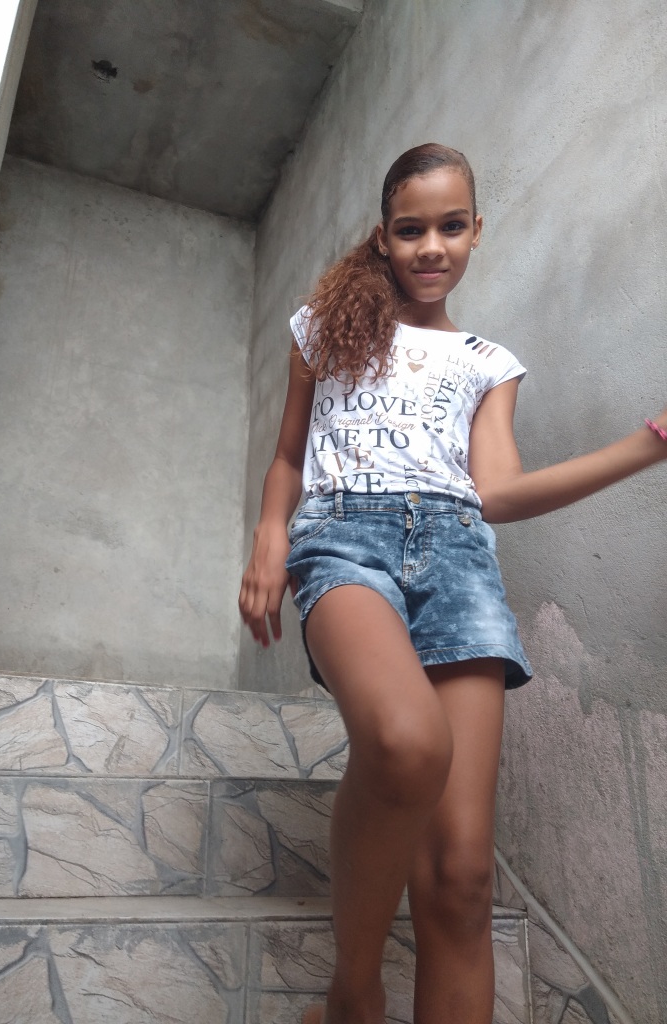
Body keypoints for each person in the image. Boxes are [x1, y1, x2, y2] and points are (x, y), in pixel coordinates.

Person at [238, 143, 667, 1024]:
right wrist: (268, 541)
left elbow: (497, 492)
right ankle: (354, 994)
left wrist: (649, 444)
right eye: (411, 229)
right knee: (406, 744)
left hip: (460, 562)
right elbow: (288, 456)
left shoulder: (487, 361)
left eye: (451, 226)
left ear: (476, 231)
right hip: (344, 543)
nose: (431, 246)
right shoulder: (323, 330)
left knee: (464, 876)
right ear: (383, 237)